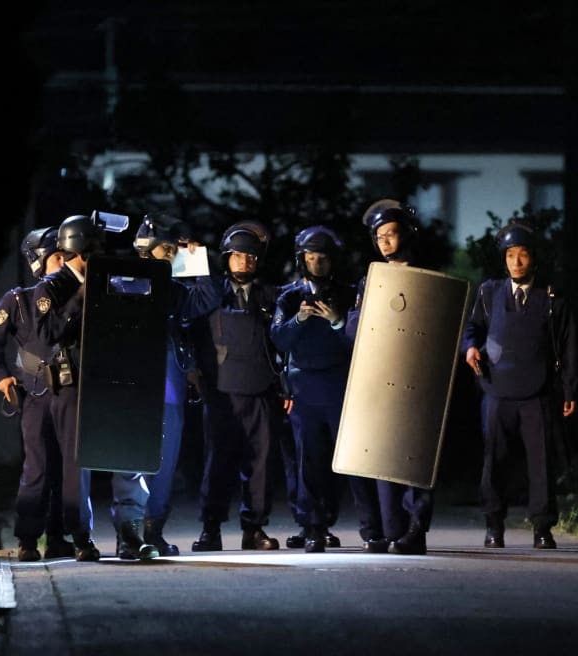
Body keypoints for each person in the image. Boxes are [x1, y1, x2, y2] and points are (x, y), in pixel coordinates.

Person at [31, 212, 158, 562]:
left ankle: (129, 534)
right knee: (77, 465)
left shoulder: (112, 281)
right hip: (73, 386)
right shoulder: (52, 287)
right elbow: (46, 335)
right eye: (93, 251)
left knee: (127, 456)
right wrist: (80, 298)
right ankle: (81, 537)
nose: (98, 257)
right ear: (80, 252)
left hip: (112, 382)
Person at [462, 216, 578, 549]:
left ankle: (542, 528)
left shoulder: (553, 298)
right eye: (510, 255)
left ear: (534, 258)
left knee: (540, 463)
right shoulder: (489, 292)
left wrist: (570, 388)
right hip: (496, 390)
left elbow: (569, 348)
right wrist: (469, 348)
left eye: (523, 254)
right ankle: (493, 525)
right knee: (493, 460)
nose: (516, 262)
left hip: (537, 392)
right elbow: (472, 329)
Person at [183, 220, 284, 551]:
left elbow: (284, 344)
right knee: (219, 461)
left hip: (262, 388)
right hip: (221, 391)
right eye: (238, 255)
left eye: (251, 257)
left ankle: (253, 527)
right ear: (226, 258)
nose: (245, 262)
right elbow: (189, 330)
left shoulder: (271, 296)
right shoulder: (210, 293)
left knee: (262, 462)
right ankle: (210, 528)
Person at [344, 199, 435, 555]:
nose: (385, 242)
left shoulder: (427, 277)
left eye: (391, 234)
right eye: (379, 236)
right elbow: (355, 327)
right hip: (382, 377)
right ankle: (392, 529)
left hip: (416, 378)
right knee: (384, 455)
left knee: (415, 456)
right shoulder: (371, 279)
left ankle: (416, 528)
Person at [0, 226, 76, 562]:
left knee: (68, 469)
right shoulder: (18, 299)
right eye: (57, 257)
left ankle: (60, 537)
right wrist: (2, 377)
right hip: (35, 393)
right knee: (37, 469)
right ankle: (27, 540)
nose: (64, 263)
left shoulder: (78, 295)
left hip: (70, 392)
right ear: (41, 261)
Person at [270, 225, 356, 552]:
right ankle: (311, 525)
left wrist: (336, 320)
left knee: (340, 459)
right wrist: (300, 319)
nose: (317, 263)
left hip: (337, 385)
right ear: (301, 259)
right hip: (303, 386)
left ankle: (333, 520)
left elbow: (358, 339)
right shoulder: (290, 296)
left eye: (323, 257)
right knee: (306, 459)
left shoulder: (348, 293)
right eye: (311, 256)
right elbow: (278, 338)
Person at [132, 214, 196, 557]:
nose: (172, 255)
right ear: (146, 250)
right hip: (136, 377)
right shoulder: (124, 284)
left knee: (167, 456)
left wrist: (197, 260)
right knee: (133, 458)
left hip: (170, 376)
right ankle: (129, 532)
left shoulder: (178, 290)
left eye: (174, 250)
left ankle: (154, 529)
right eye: (165, 249)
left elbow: (207, 299)